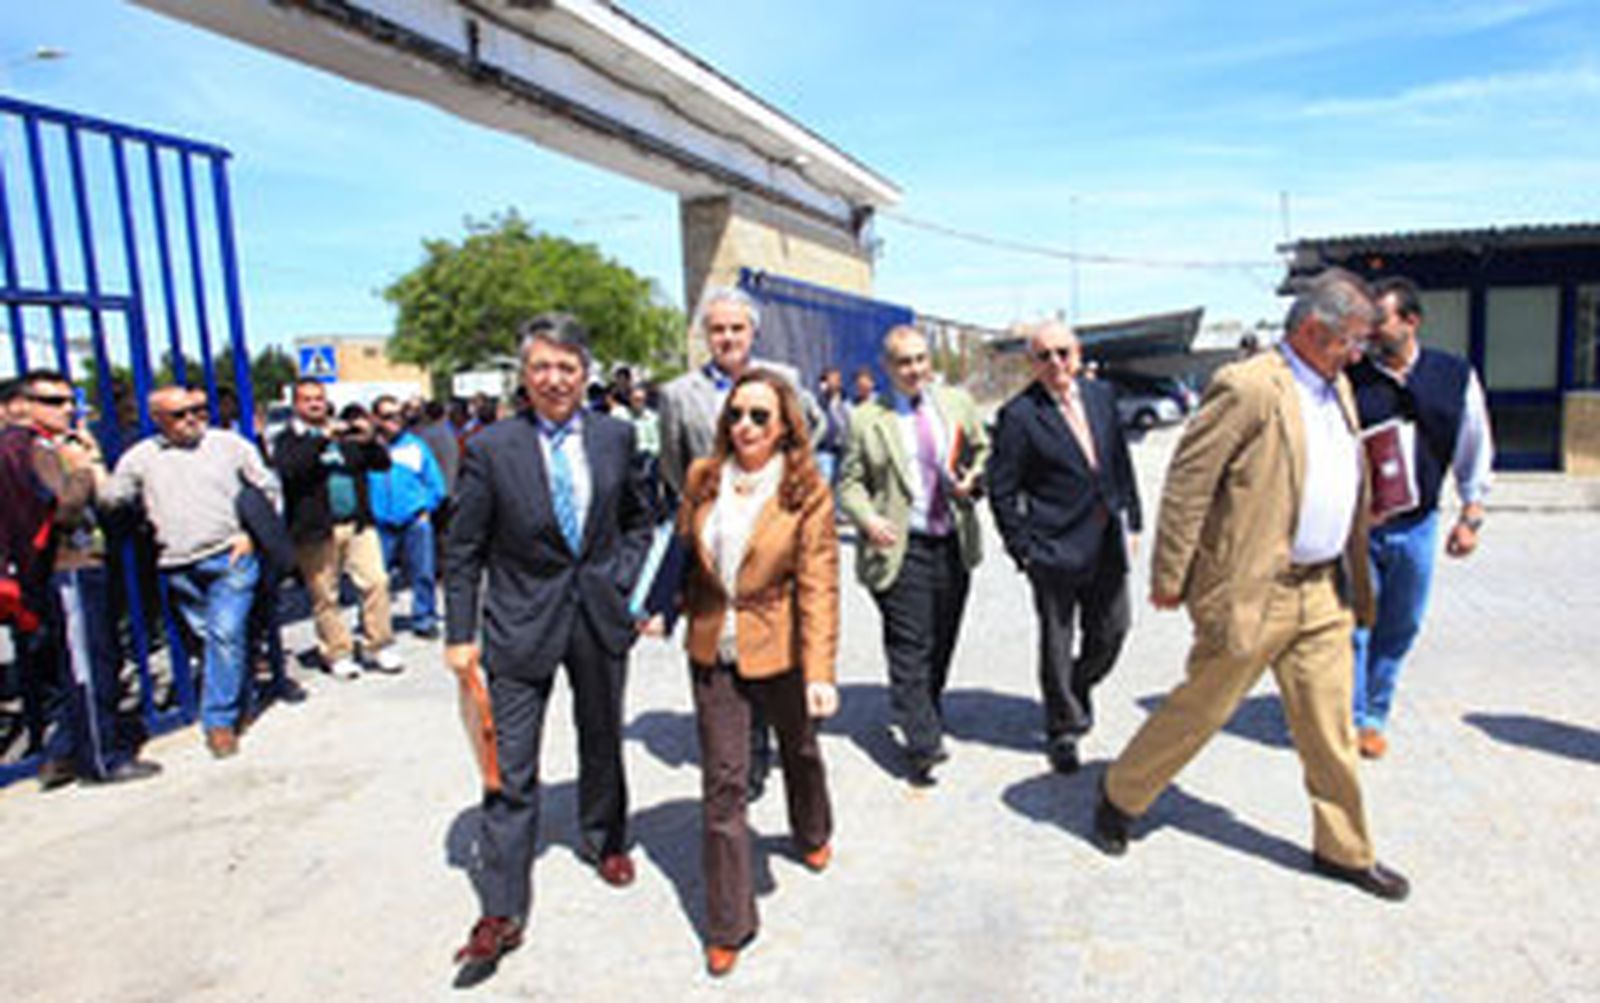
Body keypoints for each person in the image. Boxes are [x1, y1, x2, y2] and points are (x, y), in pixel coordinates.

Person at [1094, 269, 1411, 902]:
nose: (1359, 353)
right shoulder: (1248, 386)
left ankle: (1344, 850)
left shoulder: (1338, 386)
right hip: (1255, 590)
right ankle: (1120, 797)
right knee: (1202, 708)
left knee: (1330, 728)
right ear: (1314, 330)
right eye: (1351, 339)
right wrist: (1171, 574)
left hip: (1322, 591)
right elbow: (1189, 482)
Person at [443, 313, 653, 989]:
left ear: (585, 373)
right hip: (518, 625)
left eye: (567, 366)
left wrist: (625, 584)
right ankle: (501, 910)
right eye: (542, 367)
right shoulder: (491, 447)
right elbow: (463, 549)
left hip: (598, 617)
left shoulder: (615, 437)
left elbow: (639, 521)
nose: (555, 379)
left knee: (602, 738)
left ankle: (605, 838)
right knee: (509, 767)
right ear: (524, 375)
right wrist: (458, 634)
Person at [673, 368, 839, 977]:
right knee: (724, 783)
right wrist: (659, 604)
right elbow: (682, 553)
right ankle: (728, 923)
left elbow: (819, 584)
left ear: (784, 426)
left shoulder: (805, 488)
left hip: (780, 647)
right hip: (713, 647)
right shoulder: (703, 477)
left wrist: (819, 671)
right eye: (736, 414)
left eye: (759, 416)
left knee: (800, 748)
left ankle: (812, 828)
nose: (745, 425)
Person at [656, 285, 824, 801]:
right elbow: (673, 463)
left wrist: (784, 483)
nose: (727, 337)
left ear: (753, 332)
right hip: (717, 546)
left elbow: (811, 428)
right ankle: (746, 764)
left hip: (772, 540)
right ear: (705, 335)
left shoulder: (785, 379)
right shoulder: (679, 395)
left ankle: (779, 746)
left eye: (736, 328)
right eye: (717, 329)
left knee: (775, 648)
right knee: (725, 656)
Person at [1348, 276, 1493, 759]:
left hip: (1418, 526)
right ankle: (1354, 718)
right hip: (1359, 529)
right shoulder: (1351, 379)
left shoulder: (1453, 376)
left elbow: (1474, 446)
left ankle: (1375, 710)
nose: (1370, 331)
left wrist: (1471, 515)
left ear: (1411, 321)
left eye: (1379, 320)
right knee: (1354, 625)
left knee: (1401, 625)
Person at [988, 321, 1142, 774]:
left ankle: (1077, 684)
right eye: (1044, 356)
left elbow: (1119, 460)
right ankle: (1063, 727)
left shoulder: (1101, 396)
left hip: (1107, 541)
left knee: (1113, 630)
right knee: (1057, 640)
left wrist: (1133, 517)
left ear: (1077, 355)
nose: (1055, 363)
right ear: (1031, 363)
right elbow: (1002, 488)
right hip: (1053, 547)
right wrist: (1022, 549)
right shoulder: (1019, 415)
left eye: (1062, 352)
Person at [838, 326, 988, 786]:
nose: (915, 369)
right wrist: (867, 518)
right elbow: (849, 483)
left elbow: (982, 449)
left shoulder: (956, 403)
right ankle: (923, 744)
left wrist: (973, 477)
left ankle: (924, 706)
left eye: (921, 358)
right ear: (887, 367)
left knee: (942, 637)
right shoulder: (867, 418)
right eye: (904, 361)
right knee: (910, 644)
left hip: (952, 540)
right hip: (900, 546)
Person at [104, 384, 281, 758]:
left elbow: (268, 487)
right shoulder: (141, 456)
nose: (191, 419)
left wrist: (252, 534)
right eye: (179, 414)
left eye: (196, 411)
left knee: (224, 634)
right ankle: (242, 696)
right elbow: (113, 498)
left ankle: (218, 721)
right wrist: (88, 466)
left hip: (229, 557)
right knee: (213, 638)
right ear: (157, 419)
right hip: (177, 563)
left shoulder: (228, 445)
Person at [3, 370, 161, 787]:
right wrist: (82, 470)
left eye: (69, 400)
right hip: (66, 568)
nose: (67, 409)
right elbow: (64, 511)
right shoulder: (31, 448)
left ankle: (62, 753)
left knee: (90, 660)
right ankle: (100, 760)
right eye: (54, 402)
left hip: (78, 565)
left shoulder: (46, 445)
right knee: (88, 666)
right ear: (23, 405)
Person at [272, 380, 401, 679]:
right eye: (308, 400)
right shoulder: (289, 439)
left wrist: (369, 439)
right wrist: (320, 440)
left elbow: (381, 464)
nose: (315, 404)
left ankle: (378, 644)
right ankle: (337, 651)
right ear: (296, 404)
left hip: (357, 523)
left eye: (319, 398)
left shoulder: (344, 435)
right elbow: (292, 469)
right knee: (325, 594)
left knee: (376, 582)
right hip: (317, 529)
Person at [368, 394, 448, 639]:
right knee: (375, 578)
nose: (394, 420)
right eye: (387, 416)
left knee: (423, 572)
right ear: (375, 418)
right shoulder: (368, 449)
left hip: (414, 520)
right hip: (379, 523)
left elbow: (436, 483)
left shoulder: (415, 446)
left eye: (398, 415)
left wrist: (425, 508)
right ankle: (375, 624)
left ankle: (424, 618)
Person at [815, 366, 851, 487]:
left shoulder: (846, 404)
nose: (831, 383)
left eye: (834, 379)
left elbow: (847, 424)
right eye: (827, 380)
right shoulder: (819, 403)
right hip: (825, 451)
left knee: (841, 485)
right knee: (825, 481)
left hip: (843, 451)